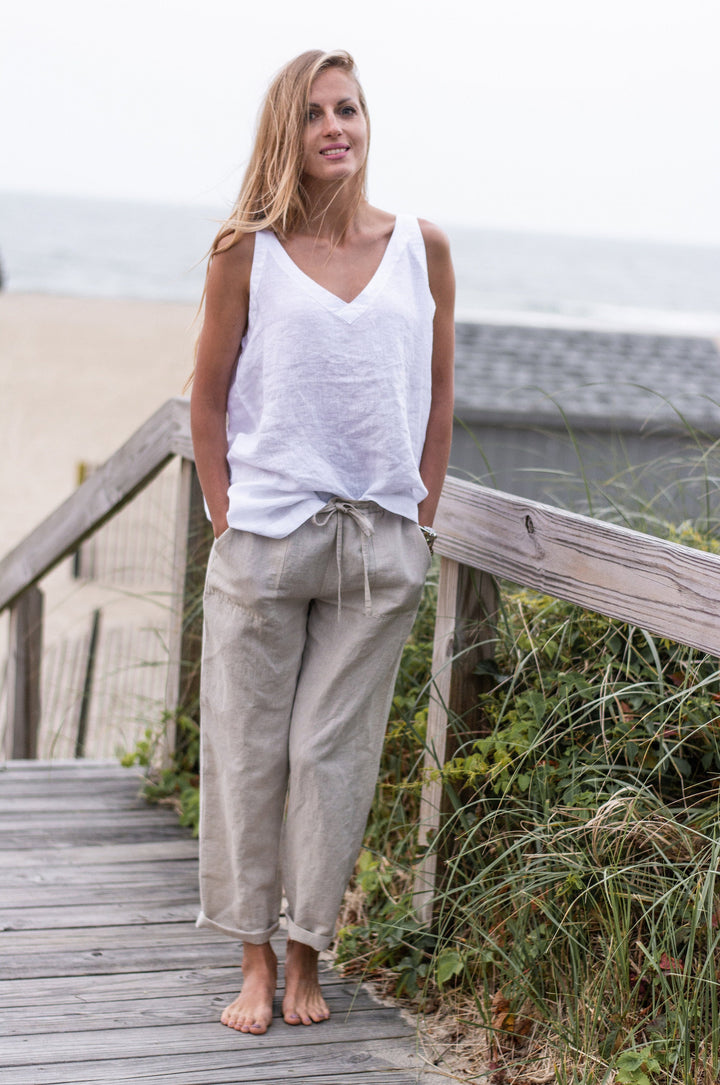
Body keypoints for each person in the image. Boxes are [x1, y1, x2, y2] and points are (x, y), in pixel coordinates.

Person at [189, 48, 455, 1036]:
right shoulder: (243, 251)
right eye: (314, 114)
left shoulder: (420, 247)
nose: (336, 125)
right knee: (252, 751)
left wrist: (419, 516)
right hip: (266, 543)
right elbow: (207, 399)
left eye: (348, 108)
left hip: (377, 550)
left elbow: (437, 393)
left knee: (330, 756)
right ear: (286, 135)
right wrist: (227, 513)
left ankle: (308, 949)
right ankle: (253, 958)